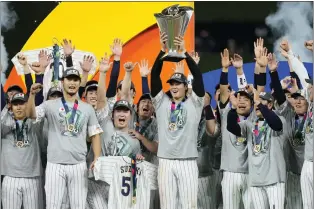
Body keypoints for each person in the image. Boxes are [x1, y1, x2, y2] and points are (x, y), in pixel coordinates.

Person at [26, 68, 103, 209]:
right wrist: (31, 95)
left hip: (78, 165)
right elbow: (31, 116)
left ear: (80, 83)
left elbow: (95, 133)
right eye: (69, 79)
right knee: (53, 206)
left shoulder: (87, 108)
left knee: (78, 206)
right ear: (63, 82)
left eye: (75, 80)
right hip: (55, 164)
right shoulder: (49, 105)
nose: (72, 83)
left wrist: (97, 156)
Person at [150, 32, 205, 209]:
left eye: (177, 84)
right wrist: (161, 51)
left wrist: (184, 53)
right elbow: (154, 75)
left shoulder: (195, 103)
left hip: (188, 161)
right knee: (167, 205)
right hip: (165, 161)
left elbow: (198, 77)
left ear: (185, 86)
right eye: (171, 84)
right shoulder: (161, 103)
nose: (174, 86)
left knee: (189, 206)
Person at [227, 89, 288, 209]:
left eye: (261, 102)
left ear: (270, 105)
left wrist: (258, 103)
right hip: (255, 180)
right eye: (255, 103)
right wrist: (233, 109)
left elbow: (276, 125)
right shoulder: (250, 123)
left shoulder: (280, 119)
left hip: (274, 180)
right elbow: (231, 127)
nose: (257, 105)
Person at [1, 92, 44, 209]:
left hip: (32, 177)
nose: (19, 107)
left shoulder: (35, 123)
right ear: (11, 107)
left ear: (27, 105)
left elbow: (35, 115)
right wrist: (6, 108)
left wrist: (32, 96)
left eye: (22, 103)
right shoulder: (5, 124)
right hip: (10, 178)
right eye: (15, 104)